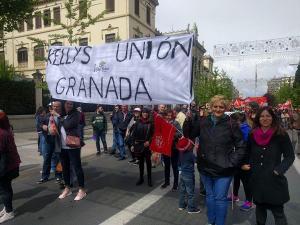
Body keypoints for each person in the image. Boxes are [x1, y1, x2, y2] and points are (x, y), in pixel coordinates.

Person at [184, 95, 246, 225]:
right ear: (211, 107)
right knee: (210, 197)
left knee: (220, 198)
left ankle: (219, 223)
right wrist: (188, 120)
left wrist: (232, 162)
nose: (218, 109)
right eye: (215, 106)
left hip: (224, 169)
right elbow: (189, 135)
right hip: (205, 166)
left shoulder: (231, 124)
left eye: (221, 107)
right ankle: (211, 220)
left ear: (226, 108)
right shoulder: (203, 121)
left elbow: (241, 146)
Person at [242, 106, 295, 225]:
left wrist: (279, 170)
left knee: (278, 213)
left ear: (272, 118)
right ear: (258, 118)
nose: (265, 118)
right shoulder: (252, 134)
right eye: (262, 116)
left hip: (274, 179)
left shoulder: (280, 134)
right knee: (260, 211)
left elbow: (289, 156)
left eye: (268, 116)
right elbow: (247, 152)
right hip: (257, 178)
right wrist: (244, 164)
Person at [59, 101, 86, 201]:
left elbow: (68, 125)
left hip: (73, 145)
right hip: (62, 146)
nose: (69, 105)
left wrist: (59, 117)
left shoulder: (76, 115)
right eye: (67, 103)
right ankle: (67, 188)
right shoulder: (61, 115)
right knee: (65, 168)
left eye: (71, 104)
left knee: (77, 167)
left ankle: (82, 190)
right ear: (64, 104)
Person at [228, 112, 253, 211]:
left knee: (246, 181)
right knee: (236, 178)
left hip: (245, 160)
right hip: (237, 159)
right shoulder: (235, 129)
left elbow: (248, 149)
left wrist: (245, 163)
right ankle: (235, 195)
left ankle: (249, 201)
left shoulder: (247, 131)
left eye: (231, 121)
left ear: (237, 121)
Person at [0, 111, 21, 223]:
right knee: (6, 188)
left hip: (5, 167)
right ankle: (7, 208)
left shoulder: (1, 133)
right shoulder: (6, 129)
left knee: (4, 190)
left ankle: (9, 212)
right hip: (10, 164)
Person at [177, 138, 201, 214]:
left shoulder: (180, 153)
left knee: (182, 191)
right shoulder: (191, 155)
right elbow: (197, 160)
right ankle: (191, 208)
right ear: (189, 146)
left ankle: (181, 205)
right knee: (190, 192)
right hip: (189, 175)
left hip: (182, 175)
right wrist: (197, 149)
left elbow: (179, 163)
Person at [131, 108, 154, 187]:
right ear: (141, 113)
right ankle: (141, 178)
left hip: (147, 146)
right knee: (140, 163)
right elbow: (133, 134)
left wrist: (149, 141)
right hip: (139, 145)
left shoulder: (150, 123)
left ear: (148, 114)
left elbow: (153, 135)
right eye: (144, 112)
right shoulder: (137, 122)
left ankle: (149, 179)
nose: (145, 114)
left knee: (148, 163)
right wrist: (133, 144)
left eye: (146, 112)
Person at [161, 110, 182, 191]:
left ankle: (175, 184)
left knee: (174, 166)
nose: (169, 117)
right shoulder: (163, 123)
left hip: (174, 148)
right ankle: (167, 182)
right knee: (166, 166)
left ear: (172, 116)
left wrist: (172, 133)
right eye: (167, 115)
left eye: (170, 115)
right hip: (165, 147)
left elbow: (180, 133)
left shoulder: (176, 123)